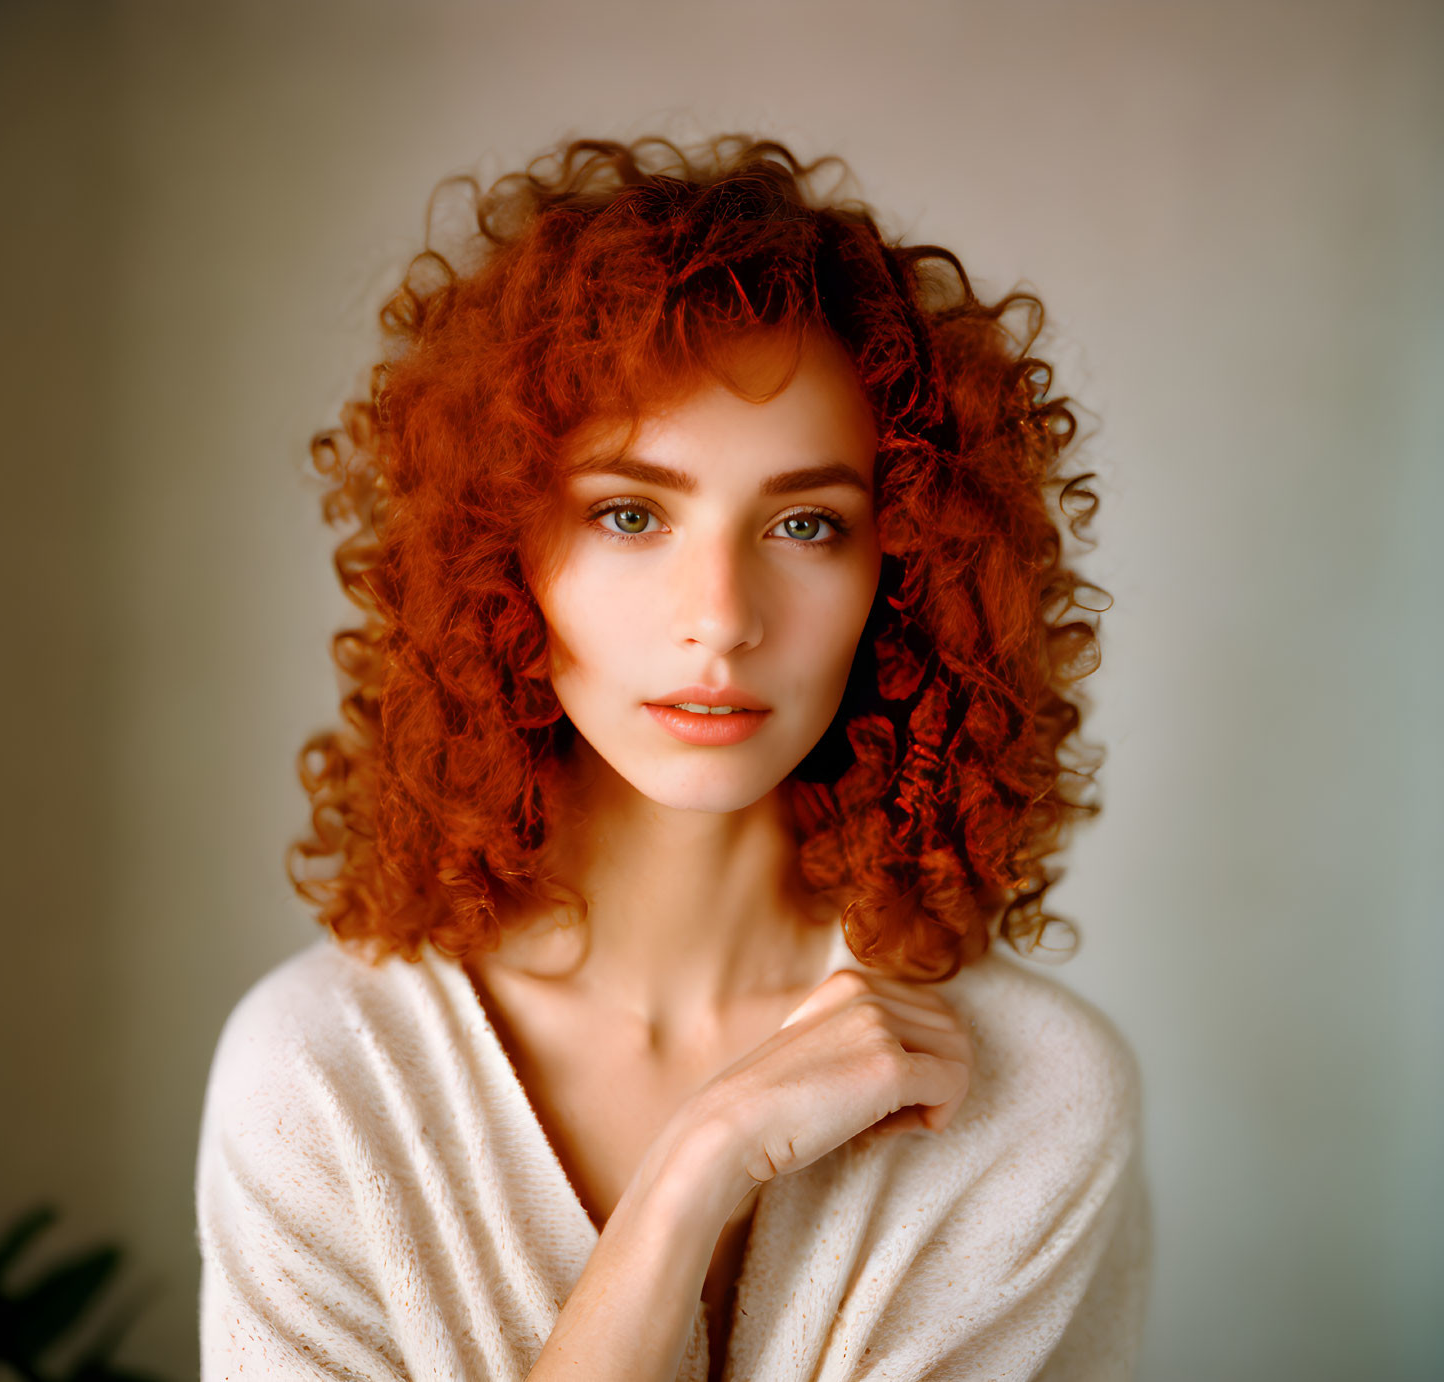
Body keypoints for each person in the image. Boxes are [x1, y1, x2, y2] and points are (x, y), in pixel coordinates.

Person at [196, 134, 1151, 1381]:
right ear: (500, 554)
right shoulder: (321, 1074)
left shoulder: (1027, 1095)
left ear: (904, 572)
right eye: (630, 512)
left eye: (805, 523)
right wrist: (695, 1174)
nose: (721, 614)